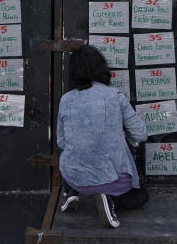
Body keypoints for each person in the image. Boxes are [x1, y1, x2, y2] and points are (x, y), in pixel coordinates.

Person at [56, 44, 148, 228]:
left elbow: (61, 142)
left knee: (75, 154)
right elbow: (140, 134)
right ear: (101, 69)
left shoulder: (65, 100)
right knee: (141, 196)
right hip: (112, 180)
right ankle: (108, 197)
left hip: (72, 175)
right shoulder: (114, 96)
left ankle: (72, 191)